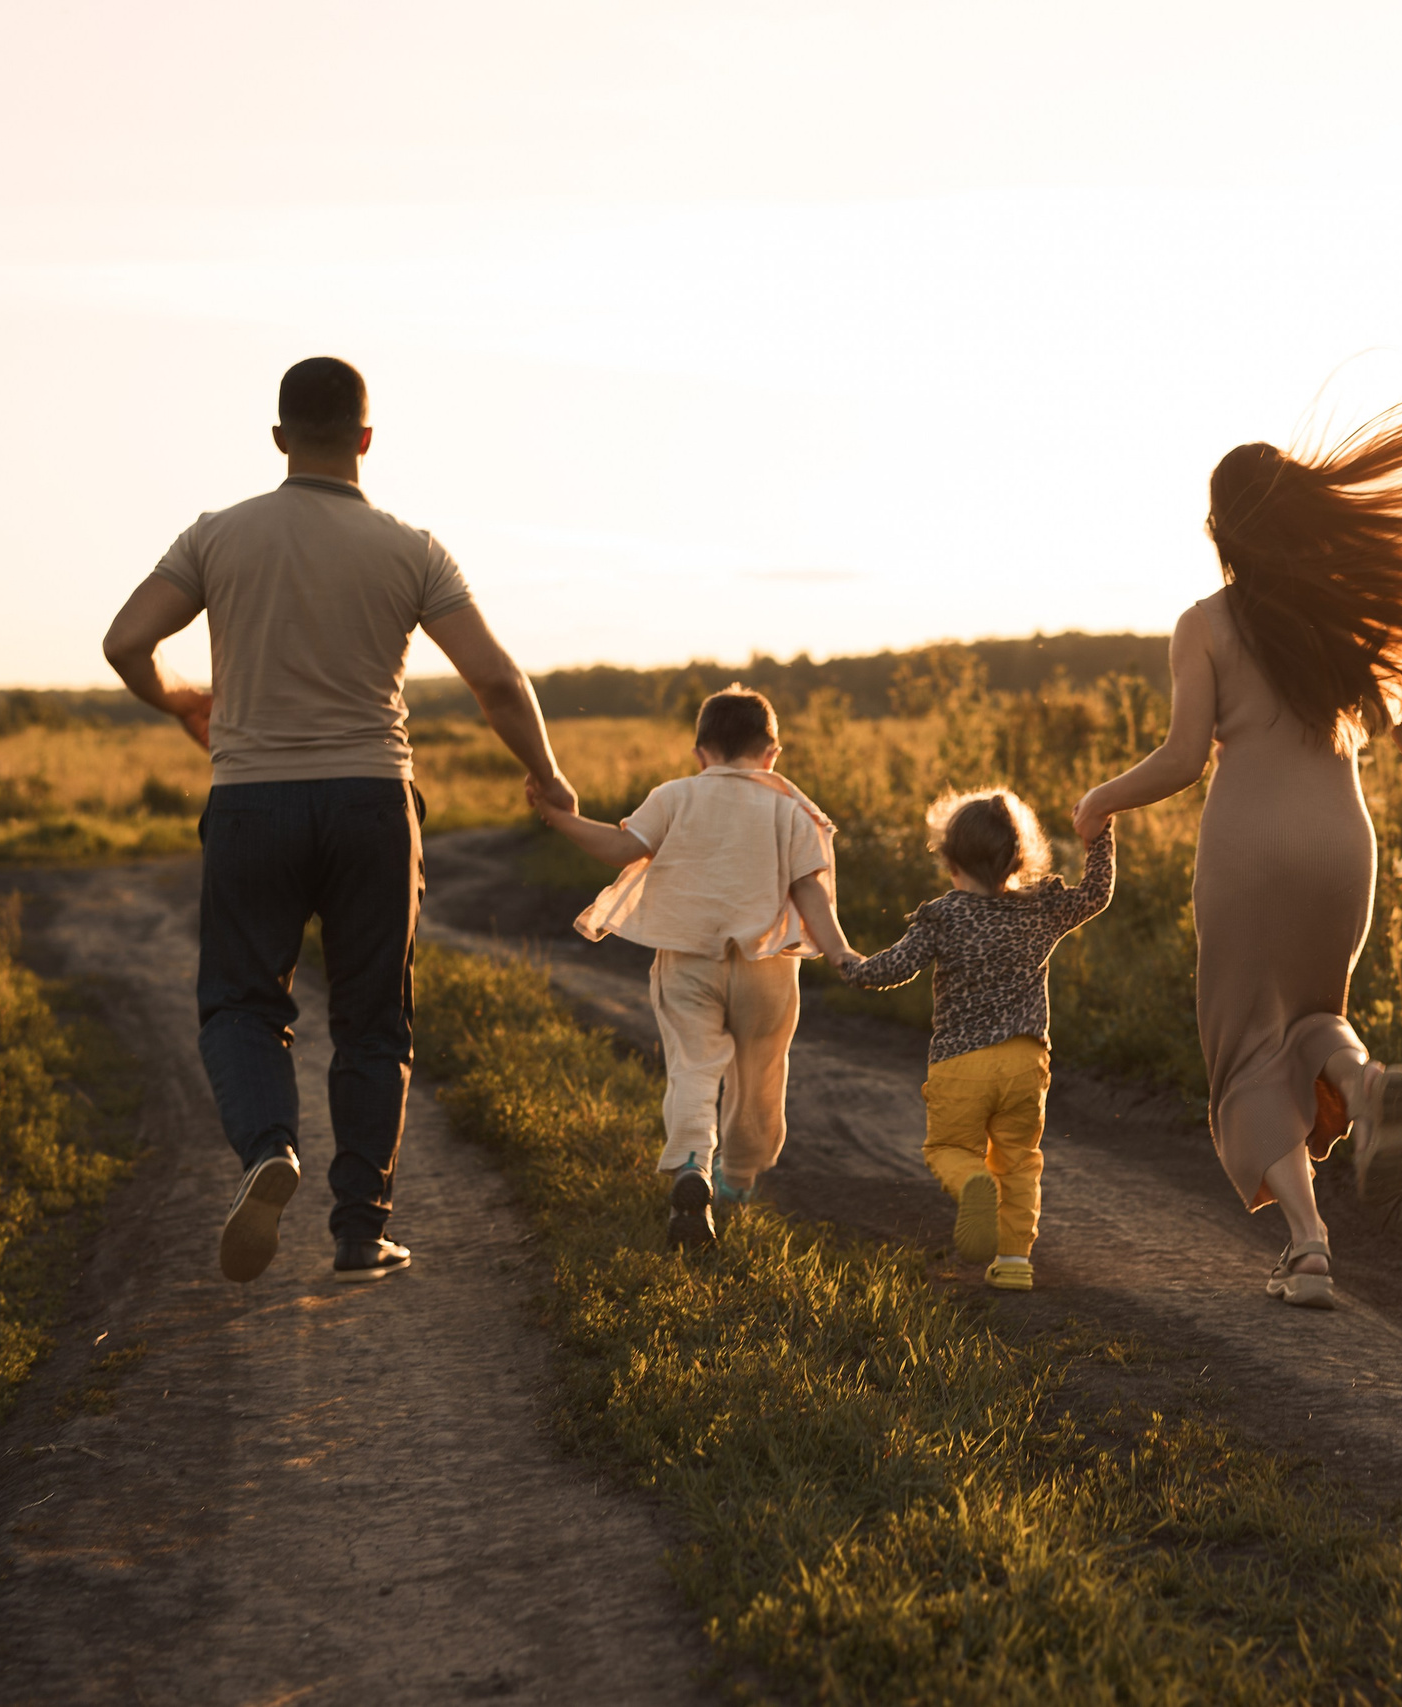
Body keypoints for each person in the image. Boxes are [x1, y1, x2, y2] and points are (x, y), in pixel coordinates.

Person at [101, 355, 576, 1285]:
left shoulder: (214, 536)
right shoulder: (414, 548)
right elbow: (496, 678)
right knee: (372, 1018)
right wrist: (547, 776)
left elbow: (124, 641)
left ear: (278, 439)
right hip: (372, 800)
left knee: (242, 1002)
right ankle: (361, 1231)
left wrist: (178, 700)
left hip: (250, 802)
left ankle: (268, 1151)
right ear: (366, 437)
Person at [1072, 400, 1402, 1310]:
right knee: (1314, 1020)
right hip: (1340, 843)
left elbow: (1180, 758)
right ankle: (1361, 1084)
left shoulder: (1203, 623)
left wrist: (1098, 801)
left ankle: (1311, 1246)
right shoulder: (1345, 620)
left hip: (1248, 844)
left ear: (1221, 530)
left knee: (1246, 1048)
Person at [530, 686, 854, 1247]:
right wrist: (841, 952)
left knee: (694, 1069)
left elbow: (619, 848)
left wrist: (559, 818)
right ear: (772, 752)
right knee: (759, 1079)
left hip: (687, 962)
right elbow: (810, 892)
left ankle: (691, 1164)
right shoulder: (791, 809)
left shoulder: (674, 795)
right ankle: (740, 1179)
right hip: (767, 970)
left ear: (700, 750)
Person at [836, 790, 1114, 1292]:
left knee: (949, 1147)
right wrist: (1101, 837)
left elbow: (890, 970)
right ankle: (1013, 1262)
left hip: (960, 1063)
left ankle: (971, 1184)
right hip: (1026, 1062)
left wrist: (848, 965)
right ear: (1018, 857)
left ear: (948, 859)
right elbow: (1096, 894)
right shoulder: (1039, 911)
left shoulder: (945, 917)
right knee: (1019, 1160)